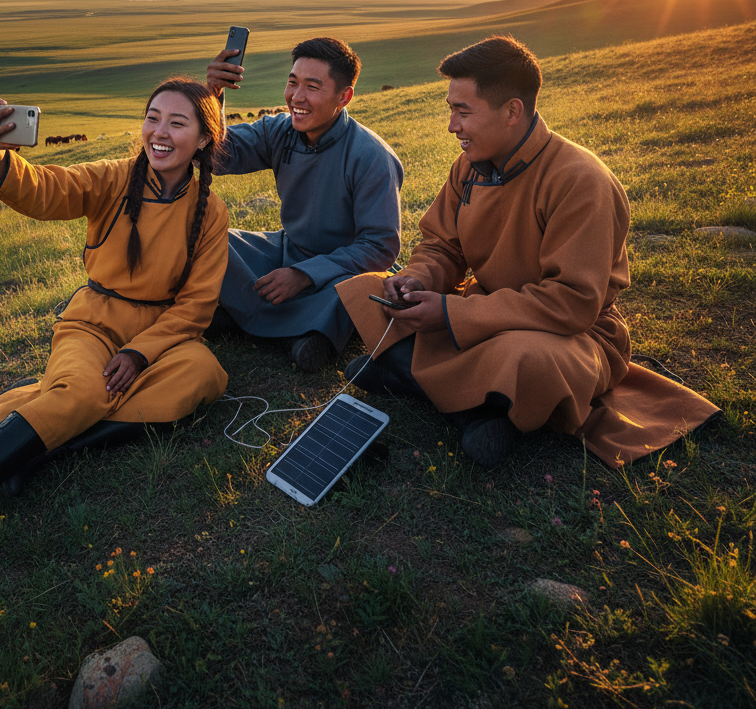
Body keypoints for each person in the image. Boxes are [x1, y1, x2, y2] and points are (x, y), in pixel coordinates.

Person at [0, 77, 230, 599]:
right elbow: (47, 190)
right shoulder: (112, 179)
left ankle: (35, 448)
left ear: (202, 139)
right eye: (153, 117)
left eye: (177, 123)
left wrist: (138, 352)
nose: (159, 131)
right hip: (92, 322)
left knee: (202, 373)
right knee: (87, 393)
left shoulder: (212, 212)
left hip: (160, 335)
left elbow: (196, 307)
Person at [337, 35, 719, 468]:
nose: (452, 126)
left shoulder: (580, 181)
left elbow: (571, 304)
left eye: (463, 112)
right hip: (484, 312)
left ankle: (413, 378)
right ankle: (474, 407)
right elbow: (442, 244)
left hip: (570, 334)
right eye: (451, 110)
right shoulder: (469, 166)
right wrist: (419, 280)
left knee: (525, 357)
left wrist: (449, 315)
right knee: (370, 290)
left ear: (512, 111)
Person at [206, 36, 403, 372]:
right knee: (210, 238)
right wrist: (212, 97)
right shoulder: (277, 131)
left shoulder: (372, 156)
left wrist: (304, 275)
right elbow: (217, 154)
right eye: (292, 82)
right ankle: (291, 330)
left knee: (364, 290)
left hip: (341, 269)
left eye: (312, 87)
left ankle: (260, 321)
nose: (297, 97)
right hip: (288, 248)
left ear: (344, 97)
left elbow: (380, 246)